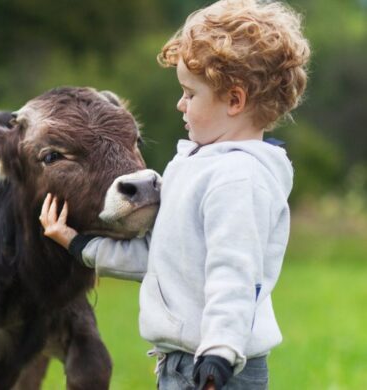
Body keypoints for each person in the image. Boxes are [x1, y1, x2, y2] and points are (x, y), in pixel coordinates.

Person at [39, 1, 311, 389]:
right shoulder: (197, 166)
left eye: (189, 93)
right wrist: (81, 245)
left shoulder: (238, 180)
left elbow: (234, 273)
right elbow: (163, 257)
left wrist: (219, 350)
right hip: (183, 362)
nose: (179, 104)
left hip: (217, 367)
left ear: (235, 101)